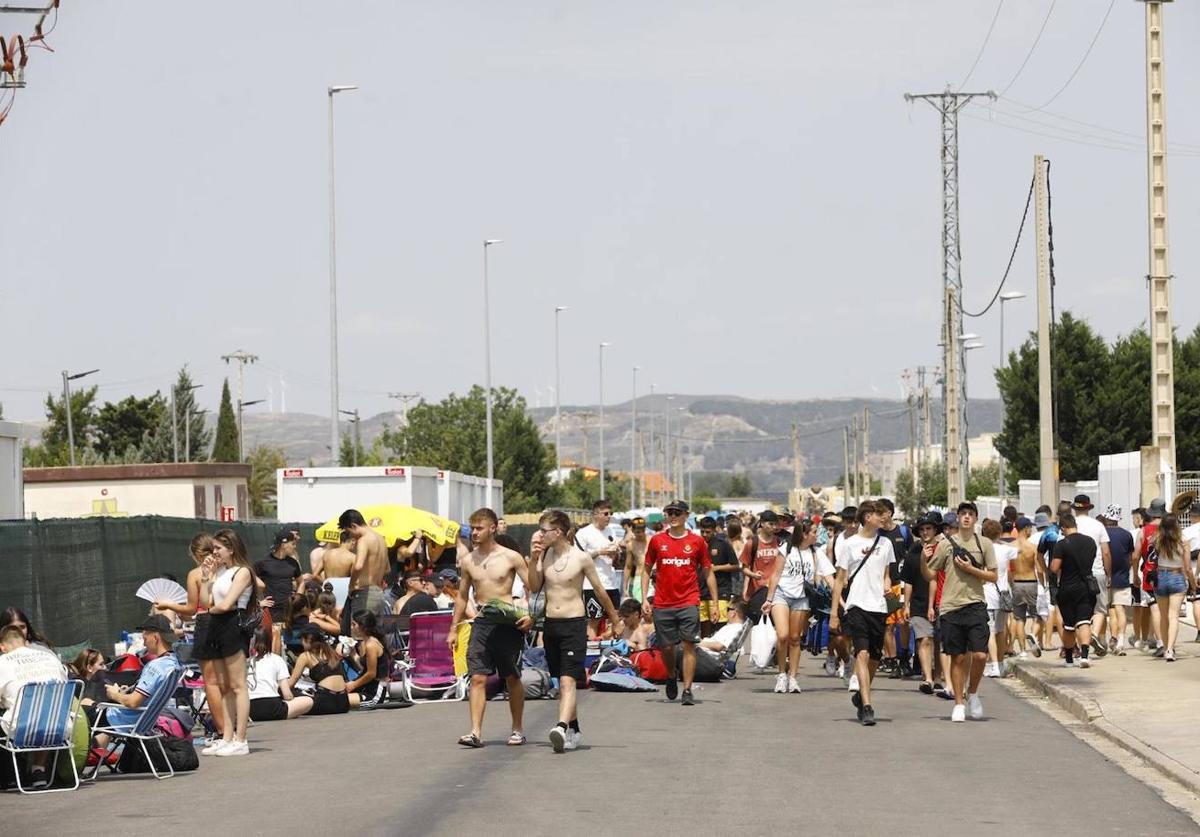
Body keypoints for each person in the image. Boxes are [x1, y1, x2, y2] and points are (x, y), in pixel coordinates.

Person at [527, 509, 622, 753]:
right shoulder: (545, 555)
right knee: (561, 680)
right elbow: (534, 586)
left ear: (558, 532)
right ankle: (574, 727)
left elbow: (600, 590)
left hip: (573, 624)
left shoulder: (581, 558)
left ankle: (560, 726)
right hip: (551, 624)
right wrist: (533, 558)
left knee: (569, 679)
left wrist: (615, 618)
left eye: (544, 531)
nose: (540, 535)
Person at [448, 508, 532, 748]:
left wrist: (532, 617)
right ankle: (475, 732)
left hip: (507, 621)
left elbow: (532, 589)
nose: (474, 533)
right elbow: (462, 597)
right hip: (482, 621)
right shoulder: (468, 560)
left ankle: (517, 729)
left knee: (512, 677)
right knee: (477, 677)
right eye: (472, 528)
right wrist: (453, 629)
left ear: (493, 528)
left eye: (479, 528)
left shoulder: (510, 557)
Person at [641, 499, 719, 707]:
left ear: (686, 515)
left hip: (689, 601)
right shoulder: (657, 541)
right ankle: (671, 673)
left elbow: (708, 572)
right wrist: (643, 599)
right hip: (663, 603)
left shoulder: (697, 542)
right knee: (667, 648)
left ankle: (687, 690)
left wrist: (713, 603)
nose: (673, 516)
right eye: (670, 512)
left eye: (677, 512)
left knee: (688, 645)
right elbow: (646, 569)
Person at [152, 532, 226, 740]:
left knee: (210, 682)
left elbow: (191, 609)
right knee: (229, 682)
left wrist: (167, 605)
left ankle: (222, 732)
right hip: (228, 623)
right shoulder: (227, 570)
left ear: (195, 554)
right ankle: (234, 732)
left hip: (206, 624)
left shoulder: (196, 574)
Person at [927, 502, 997, 722]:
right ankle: (958, 703)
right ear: (958, 518)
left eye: (970, 514)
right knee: (957, 658)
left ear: (976, 519)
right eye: (963, 514)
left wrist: (971, 569)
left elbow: (993, 576)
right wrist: (923, 557)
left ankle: (973, 692)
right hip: (950, 607)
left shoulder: (983, 543)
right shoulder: (947, 543)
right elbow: (930, 573)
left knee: (979, 654)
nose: (966, 517)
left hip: (975, 603)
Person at [828, 501, 893, 726]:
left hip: (879, 607)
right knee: (862, 655)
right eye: (879, 515)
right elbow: (839, 580)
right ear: (867, 517)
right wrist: (834, 613)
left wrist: (887, 583)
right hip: (857, 605)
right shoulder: (850, 544)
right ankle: (867, 706)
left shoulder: (885, 543)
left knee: (874, 658)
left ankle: (860, 695)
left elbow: (886, 573)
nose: (883, 518)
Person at [195, 528, 259, 757]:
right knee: (224, 686)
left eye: (218, 548)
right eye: (213, 548)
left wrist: (210, 611)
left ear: (231, 549)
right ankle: (227, 737)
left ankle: (241, 739)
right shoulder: (220, 571)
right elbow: (205, 601)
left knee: (238, 685)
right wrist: (205, 576)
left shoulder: (242, 572)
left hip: (232, 625)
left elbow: (226, 604)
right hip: (217, 625)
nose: (214, 553)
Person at [96, 615, 183, 745]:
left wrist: (114, 694)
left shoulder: (155, 666)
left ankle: (79, 754)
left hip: (126, 721)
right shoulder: (175, 663)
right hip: (146, 722)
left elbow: (133, 703)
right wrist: (126, 692)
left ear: (155, 637)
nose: (143, 643)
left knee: (85, 711)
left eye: (145, 638)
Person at [0, 624, 67, 789]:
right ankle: (39, 768)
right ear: (26, 642)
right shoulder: (50, 658)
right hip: (58, 727)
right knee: (44, 711)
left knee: (22, 714)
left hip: (21, 729)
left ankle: (8, 775)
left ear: (2, 647)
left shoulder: (3, 662)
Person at [764, 518, 819, 693]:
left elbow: (821, 576)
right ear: (804, 534)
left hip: (802, 598)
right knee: (783, 635)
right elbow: (775, 575)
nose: (817, 535)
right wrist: (769, 599)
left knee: (795, 639)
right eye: (814, 532)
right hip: (781, 595)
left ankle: (793, 677)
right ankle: (781, 674)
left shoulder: (815, 552)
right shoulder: (786, 549)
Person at [1050, 514, 1099, 669]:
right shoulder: (1090, 542)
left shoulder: (1062, 544)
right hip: (1086, 587)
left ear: (1063, 527)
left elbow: (1054, 568)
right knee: (1084, 621)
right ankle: (1085, 656)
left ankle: (1069, 659)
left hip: (1067, 588)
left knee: (1069, 625)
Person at [1071, 495, 1113, 659]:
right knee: (1100, 608)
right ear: (1089, 508)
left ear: (1075, 508)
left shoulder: (1071, 526)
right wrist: (1108, 573)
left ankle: (1082, 643)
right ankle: (1094, 633)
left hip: (1075, 573)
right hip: (1097, 571)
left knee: (1079, 610)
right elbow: (1106, 552)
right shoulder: (1098, 526)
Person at [902, 512, 939, 693]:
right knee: (924, 640)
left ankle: (940, 676)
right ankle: (928, 678)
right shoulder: (913, 553)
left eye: (928, 528)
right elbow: (908, 581)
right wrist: (906, 604)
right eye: (922, 529)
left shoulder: (944, 549)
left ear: (934, 530)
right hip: (918, 603)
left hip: (942, 602)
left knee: (940, 643)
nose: (925, 532)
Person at [876, 499, 913, 677]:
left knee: (903, 623)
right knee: (888, 626)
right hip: (885, 585)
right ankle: (891, 659)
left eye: (881, 513)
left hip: (902, 584)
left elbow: (912, 555)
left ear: (890, 512)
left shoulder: (903, 532)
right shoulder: (876, 535)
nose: (880, 517)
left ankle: (904, 657)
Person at [573, 500, 624, 630]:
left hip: (611, 583)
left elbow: (616, 562)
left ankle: (611, 649)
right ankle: (592, 648)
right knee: (594, 620)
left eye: (611, 513)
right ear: (596, 514)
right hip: (592, 585)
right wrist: (599, 552)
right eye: (605, 513)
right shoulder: (584, 533)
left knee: (614, 619)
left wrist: (616, 554)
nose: (609, 517)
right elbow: (577, 559)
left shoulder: (611, 531)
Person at [1152, 513, 1196, 662]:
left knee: (1164, 616)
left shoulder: (1157, 539)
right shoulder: (1183, 540)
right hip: (1177, 576)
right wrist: (1193, 584)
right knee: (1174, 616)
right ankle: (1170, 649)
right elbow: (1188, 567)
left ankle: (1165, 648)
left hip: (1161, 576)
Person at [339, 509, 389, 636]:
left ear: (354, 526)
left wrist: (352, 585)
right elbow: (387, 568)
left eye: (348, 531)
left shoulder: (364, 540)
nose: (350, 536)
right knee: (376, 636)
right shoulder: (381, 539)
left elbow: (358, 565)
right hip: (378, 593)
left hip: (364, 593)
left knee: (360, 637)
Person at [247, 627, 312, 721]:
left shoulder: (246, 662)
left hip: (249, 708)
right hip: (272, 706)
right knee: (308, 701)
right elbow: (287, 695)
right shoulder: (277, 659)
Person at [287, 624, 351, 715]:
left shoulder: (306, 656)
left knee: (291, 693)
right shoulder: (332, 652)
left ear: (309, 639)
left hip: (325, 702)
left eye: (302, 640)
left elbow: (291, 683)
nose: (301, 643)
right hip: (343, 702)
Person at [1098, 504, 1134, 655]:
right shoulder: (1127, 535)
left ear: (1106, 517)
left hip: (1104, 575)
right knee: (1120, 610)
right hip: (1122, 577)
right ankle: (1119, 641)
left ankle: (1102, 639)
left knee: (1104, 610)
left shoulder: (1102, 533)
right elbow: (1131, 557)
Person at [982, 518, 1015, 677]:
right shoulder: (1006, 550)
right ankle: (1001, 664)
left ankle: (994, 664)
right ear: (999, 533)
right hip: (1003, 593)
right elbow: (1020, 549)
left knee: (990, 631)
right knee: (1001, 631)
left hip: (988, 594)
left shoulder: (983, 549)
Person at [740, 509, 786, 619]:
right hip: (757, 592)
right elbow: (744, 568)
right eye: (771, 524)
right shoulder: (752, 543)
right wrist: (753, 575)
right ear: (762, 523)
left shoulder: (780, 543)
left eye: (775, 524)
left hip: (776, 591)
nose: (774, 527)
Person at [698, 516, 738, 636]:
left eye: (708, 532)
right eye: (702, 532)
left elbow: (736, 566)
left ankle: (721, 651)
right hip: (701, 592)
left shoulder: (723, 544)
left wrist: (717, 568)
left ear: (714, 530)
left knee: (720, 625)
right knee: (704, 626)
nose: (705, 534)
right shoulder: (697, 544)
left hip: (721, 590)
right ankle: (705, 651)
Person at [256, 529, 302, 624]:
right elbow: (249, 581)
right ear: (283, 545)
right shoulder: (263, 562)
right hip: (270, 611)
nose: (295, 547)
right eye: (293, 544)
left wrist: (298, 598)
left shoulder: (293, 563)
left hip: (289, 611)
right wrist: (259, 602)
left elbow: (301, 582)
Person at [344, 611, 388, 708]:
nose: (351, 627)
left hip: (374, 692)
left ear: (362, 626)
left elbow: (371, 673)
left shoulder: (371, 645)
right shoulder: (366, 642)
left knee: (339, 701)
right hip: (366, 687)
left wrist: (353, 685)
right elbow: (365, 667)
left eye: (354, 624)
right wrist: (354, 654)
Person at [623, 518, 651, 602]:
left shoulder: (652, 541)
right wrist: (625, 587)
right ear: (632, 530)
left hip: (653, 578)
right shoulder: (630, 545)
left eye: (643, 531)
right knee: (640, 606)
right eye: (638, 532)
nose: (641, 534)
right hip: (639, 578)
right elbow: (628, 567)